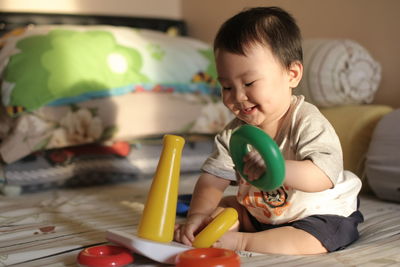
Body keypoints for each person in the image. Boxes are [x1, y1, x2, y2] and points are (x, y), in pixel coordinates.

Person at [174, 6, 363, 255]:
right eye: (227, 87)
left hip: (317, 213)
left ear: (292, 75)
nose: (238, 97)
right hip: (261, 213)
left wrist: (279, 168)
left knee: (315, 239)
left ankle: (244, 242)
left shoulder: (306, 122)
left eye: (249, 83)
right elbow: (212, 180)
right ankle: (220, 230)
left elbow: (324, 176)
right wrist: (198, 216)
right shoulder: (233, 134)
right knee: (221, 210)